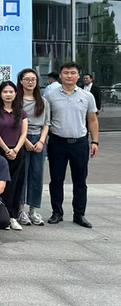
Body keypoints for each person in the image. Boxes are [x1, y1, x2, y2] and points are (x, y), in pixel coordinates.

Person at [45, 62, 98, 228]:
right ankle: (57, 212)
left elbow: (92, 120)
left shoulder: (87, 96)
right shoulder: (51, 95)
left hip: (79, 143)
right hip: (57, 142)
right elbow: (47, 119)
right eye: (66, 73)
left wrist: (95, 141)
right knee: (56, 179)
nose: (69, 76)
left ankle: (79, 214)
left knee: (80, 180)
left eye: (73, 73)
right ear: (60, 75)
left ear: (78, 75)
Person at [0, 80, 28, 230]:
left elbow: (23, 133)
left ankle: (12, 217)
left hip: (18, 152)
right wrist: (6, 149)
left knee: (16, 184)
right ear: (0, 94)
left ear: (16, 94)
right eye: (5, 92)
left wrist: (15, 150)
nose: (8, 94)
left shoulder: (21, 113)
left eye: (11, 92)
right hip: (0, 152)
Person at [17, 68, 50, 227]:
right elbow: (14, 123)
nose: (30, 82)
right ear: (21, 81)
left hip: (38, 140)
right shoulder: (16, 100)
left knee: (37, 175)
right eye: (27, 79)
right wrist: (24, 141)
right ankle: (21, 210)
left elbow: (46, 124)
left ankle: (33, 210)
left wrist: (41, 141)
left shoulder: (43, 101)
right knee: (22, 175)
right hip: (21, 139)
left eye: (33, 79)